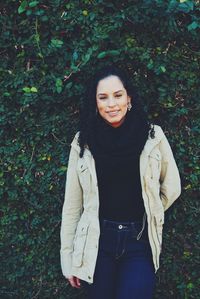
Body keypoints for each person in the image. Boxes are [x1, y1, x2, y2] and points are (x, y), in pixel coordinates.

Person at [60, 65, 181, 299]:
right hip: (97, 243)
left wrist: (152, 208)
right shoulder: (83, 141)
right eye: (103, 97)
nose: (112, 104)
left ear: (129, 98)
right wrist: (69, 259)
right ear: (95, 103)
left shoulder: (152, 136)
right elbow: (72, 206)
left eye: (118, 95)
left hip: (139, 242)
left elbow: (172, 187)